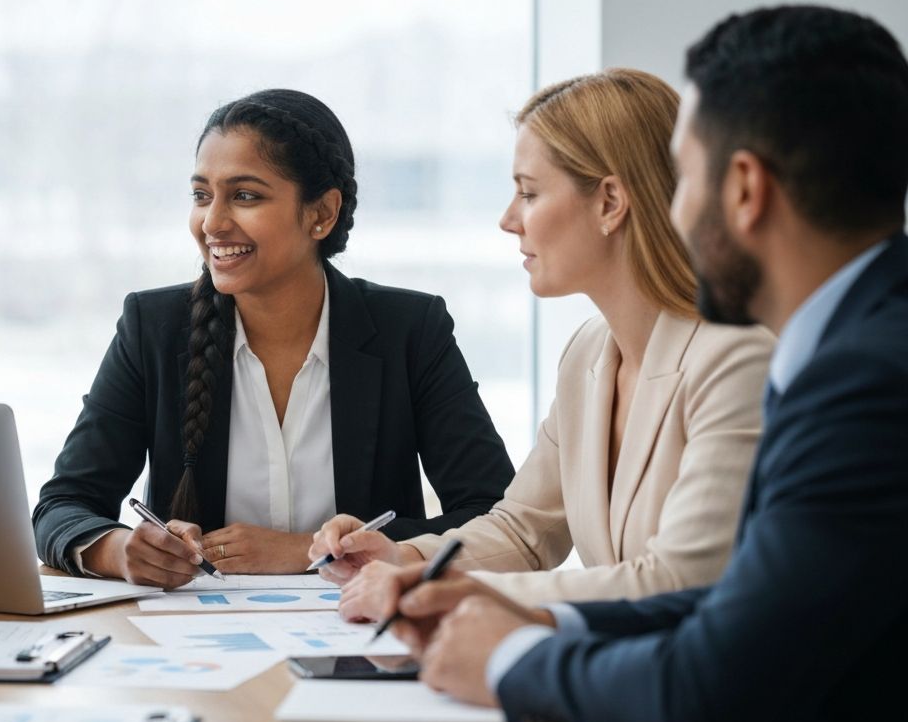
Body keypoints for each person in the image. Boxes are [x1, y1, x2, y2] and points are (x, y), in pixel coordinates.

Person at [378, 6, 908, 722]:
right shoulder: (846, 351)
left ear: (745, 189)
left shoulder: (858, 382)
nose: (673, 208)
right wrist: (479, 597)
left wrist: (506, 656)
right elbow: (733, 608)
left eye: (684, 178)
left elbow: (709, 676)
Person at [311, 69, 774, 612]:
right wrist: (404, 558)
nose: (509, 220)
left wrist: (447, 590)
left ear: (610, 202)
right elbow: (524, 530)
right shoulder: (588, 353)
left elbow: (678, 580)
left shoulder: (735, 359)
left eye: (529, 193)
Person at [33, 89, 515, 587]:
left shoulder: (410, 330)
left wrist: (300, 551)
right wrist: (119, 552)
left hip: (362, 619)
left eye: (245, 196)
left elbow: (497, 519)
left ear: (321, 213)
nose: (212, 223)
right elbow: (61, 506)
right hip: (193, 626)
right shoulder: (153, 327)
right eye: (201, 195)